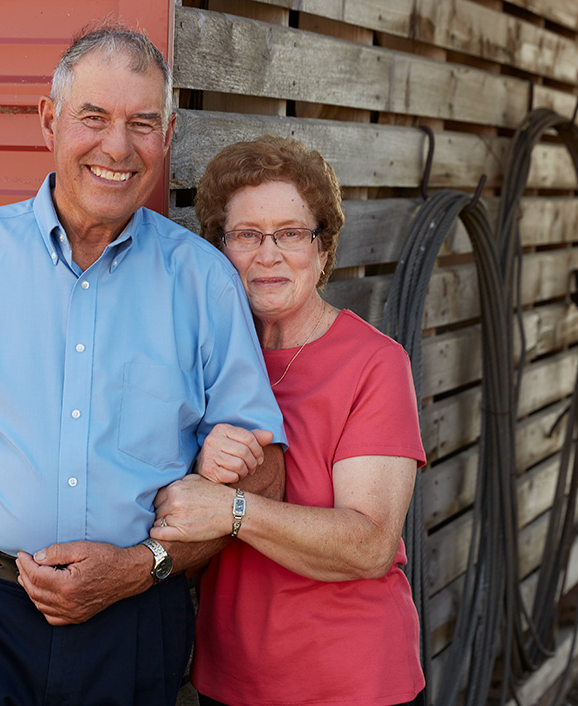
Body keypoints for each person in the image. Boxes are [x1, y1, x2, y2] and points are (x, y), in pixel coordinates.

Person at [0, 24, 286, 706]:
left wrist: (144, 567)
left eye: (142, 123)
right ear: (49, 120)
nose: (117, 146)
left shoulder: (205, 281)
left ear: (167, 135)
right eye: (94, 118)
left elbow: (267, 475)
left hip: (138, 618)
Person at [150, 135, 427, 706]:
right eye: (247, 235)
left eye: (291, 233)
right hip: (231, 677)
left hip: (351, 680)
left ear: (323, 250)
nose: (268, 254)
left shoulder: (374, 363)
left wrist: (231, 508)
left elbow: (370, 543)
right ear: (219, 251)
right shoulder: (203, 361)